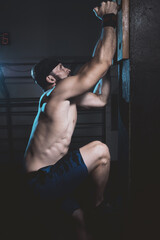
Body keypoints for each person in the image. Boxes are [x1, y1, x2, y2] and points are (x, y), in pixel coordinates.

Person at [24, 1, 118, 239]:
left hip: (47, 176)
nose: (67, 69)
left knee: (78, 221)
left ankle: (87, 219)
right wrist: (108, 19)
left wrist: (107, 66)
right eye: (61, 68)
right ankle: (98, 206)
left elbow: (101, 99)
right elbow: (99, 63)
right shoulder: (55, 94)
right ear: (51, 78)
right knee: (101, 150)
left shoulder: (65, 98)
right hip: (42, 180)